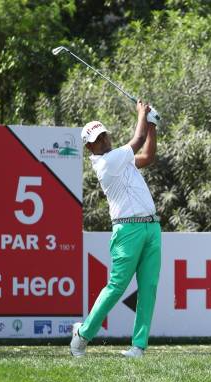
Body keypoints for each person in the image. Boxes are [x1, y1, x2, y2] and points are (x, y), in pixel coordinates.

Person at [70, 100, 161, 358]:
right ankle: (83, 335)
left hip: (151, 227)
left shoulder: (120, 160)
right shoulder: (106, 163)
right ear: (90, 147)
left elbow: (148, 156)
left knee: (148, 287)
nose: (104, 140)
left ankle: (138, 347)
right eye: (98, 139)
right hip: (128, 231)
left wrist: (152, 124)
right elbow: (138, 138)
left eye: (105, 135)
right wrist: (143, 114)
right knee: (117, 286)